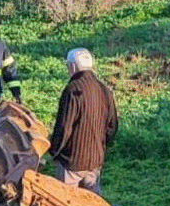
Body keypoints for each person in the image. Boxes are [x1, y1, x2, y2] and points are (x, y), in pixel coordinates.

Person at [48, 48, 118, 195]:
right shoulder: (104, 89)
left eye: (68, 66)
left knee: (66, 205)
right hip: (95, 162)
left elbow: (64, 128)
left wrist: (53, 151)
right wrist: (100, 146)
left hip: (71, 162)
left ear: (73, 67)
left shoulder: (73, 90)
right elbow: (112, 126)